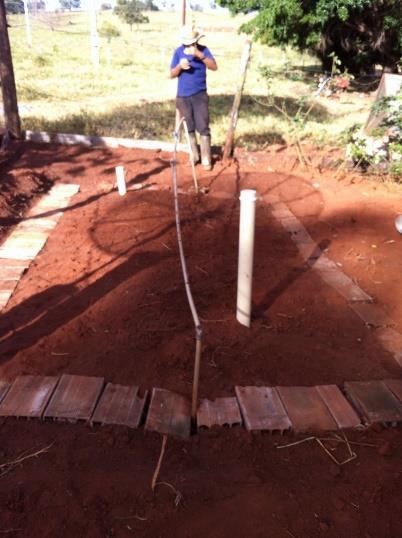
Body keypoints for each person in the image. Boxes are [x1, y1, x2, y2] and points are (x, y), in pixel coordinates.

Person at [170, 25, 218, 171]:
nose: (189, 46)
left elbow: (214, 66)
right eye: (187, 43)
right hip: (183, 95)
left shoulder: (203, 50)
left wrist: (199, 55)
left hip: (200, 94)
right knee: (188, 127)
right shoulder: (178, 52)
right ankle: (194, 156)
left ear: (196, 41)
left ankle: (206, 158)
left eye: (191, 43)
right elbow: (172, 74)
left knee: (203, 126)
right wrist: (179, 67)